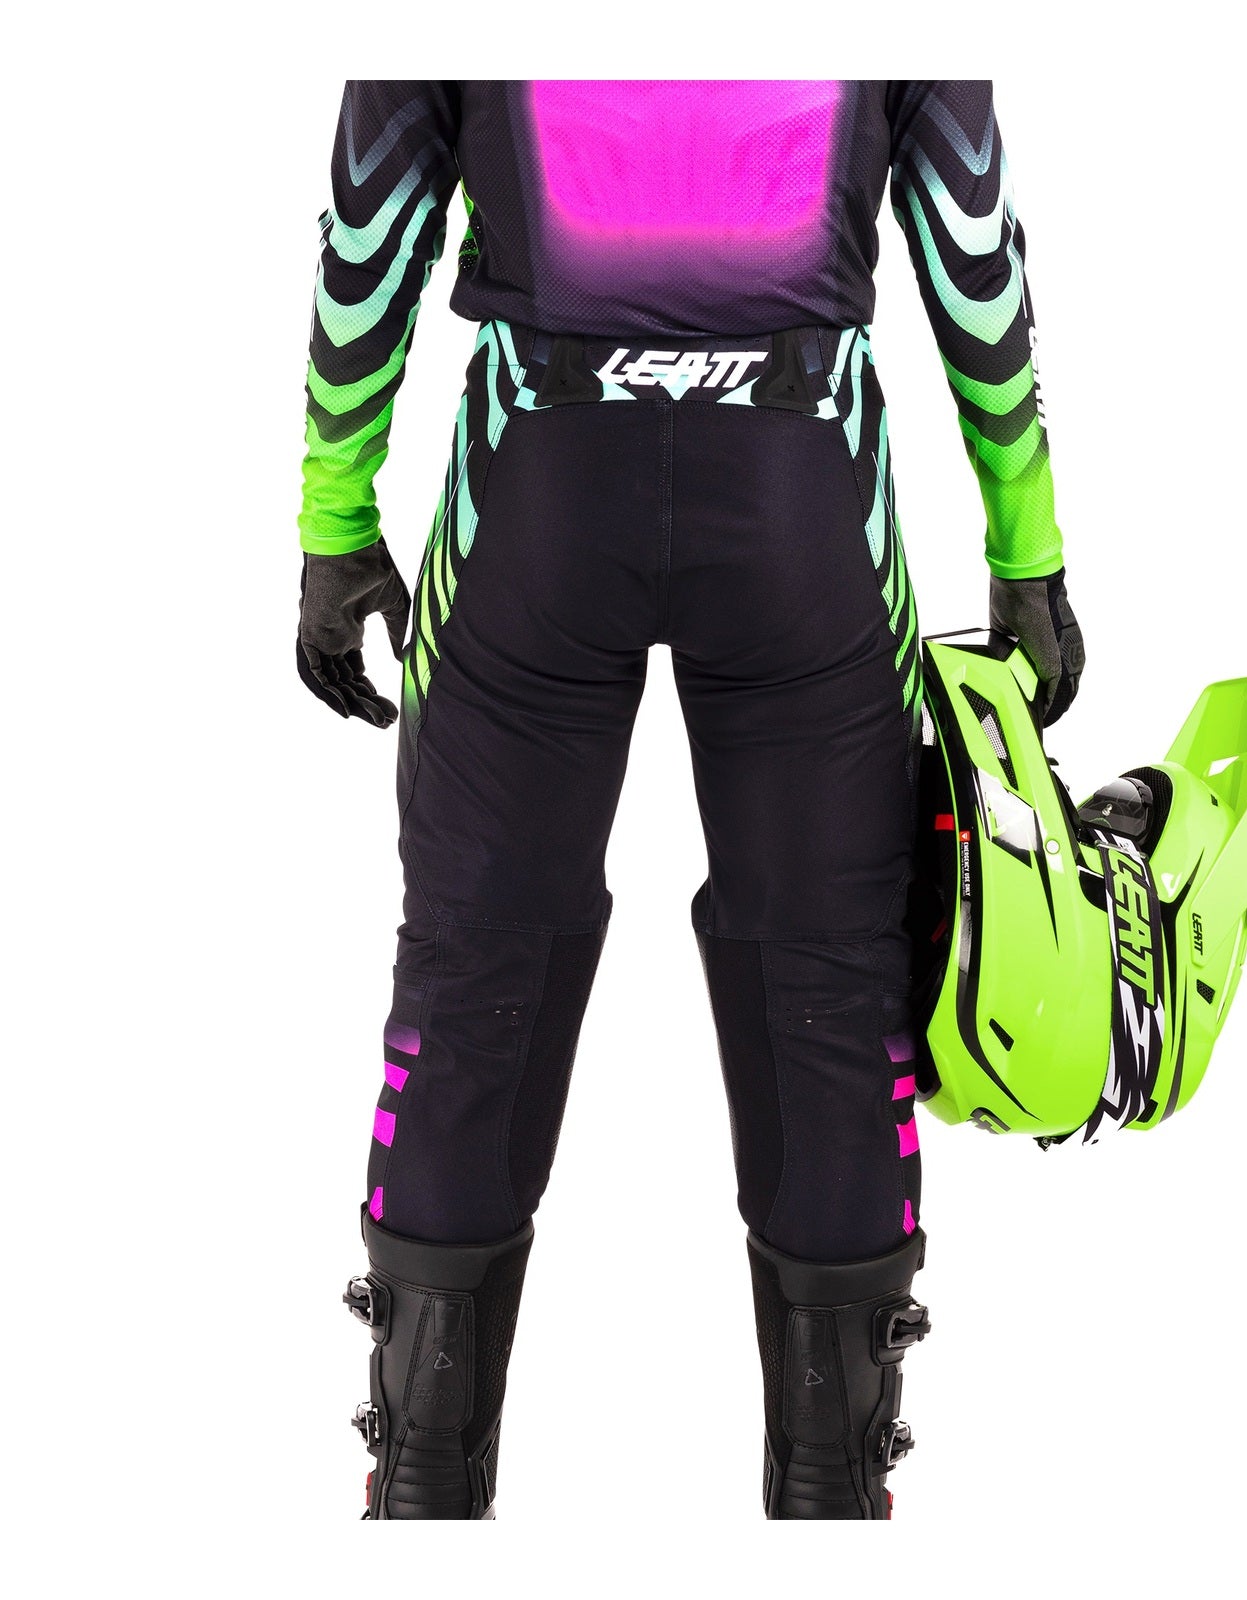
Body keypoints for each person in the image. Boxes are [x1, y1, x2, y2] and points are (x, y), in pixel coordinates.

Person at [298, 79, 1085, 1521]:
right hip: (803, 487)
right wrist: (1025, 547)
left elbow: (375, 210)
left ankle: (417, 1497)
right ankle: (835, 1501)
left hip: (536, 477)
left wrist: (335, 518)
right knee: (831, 992)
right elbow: (970, 240)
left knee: (474, 975)